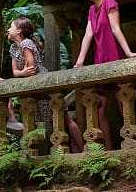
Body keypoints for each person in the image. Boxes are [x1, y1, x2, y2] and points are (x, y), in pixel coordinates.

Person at [73, 0, 136, 149]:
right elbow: (88, 35)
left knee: (123, 102)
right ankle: (107, 149)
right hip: (100, 61)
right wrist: (79, 62)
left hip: (115, 57)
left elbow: (115, 28)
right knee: (99, 107)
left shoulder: (109, 2)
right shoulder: (91, 10)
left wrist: (128, 53)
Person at [7, 16, 84, 152]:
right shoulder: (13, 48)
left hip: (43, 86)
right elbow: (15, 72)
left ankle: (83, 149)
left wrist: (23, 72)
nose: (8, 30)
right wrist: (22, 72)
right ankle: (52, 152)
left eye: (11, 27)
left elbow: (31, 69)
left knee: (64, 119)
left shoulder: (26, 43)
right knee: (42, 121)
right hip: (32, 90)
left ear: (19, 31)